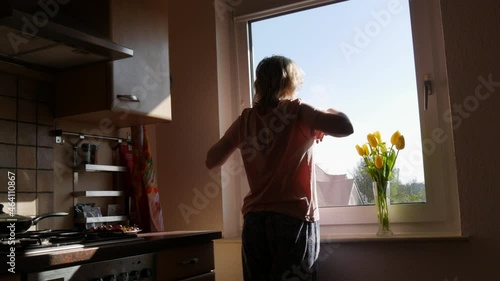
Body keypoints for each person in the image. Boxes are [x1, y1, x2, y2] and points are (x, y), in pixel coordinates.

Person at [205, 55, 353, 281]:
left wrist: (244, 138)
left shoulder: (246, 120)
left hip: (255, 223)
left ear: (260, 84)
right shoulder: (298, 111)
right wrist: (327, 112)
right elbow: (345, 127)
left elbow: (211, 160)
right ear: (289, 83)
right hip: (292, 221)